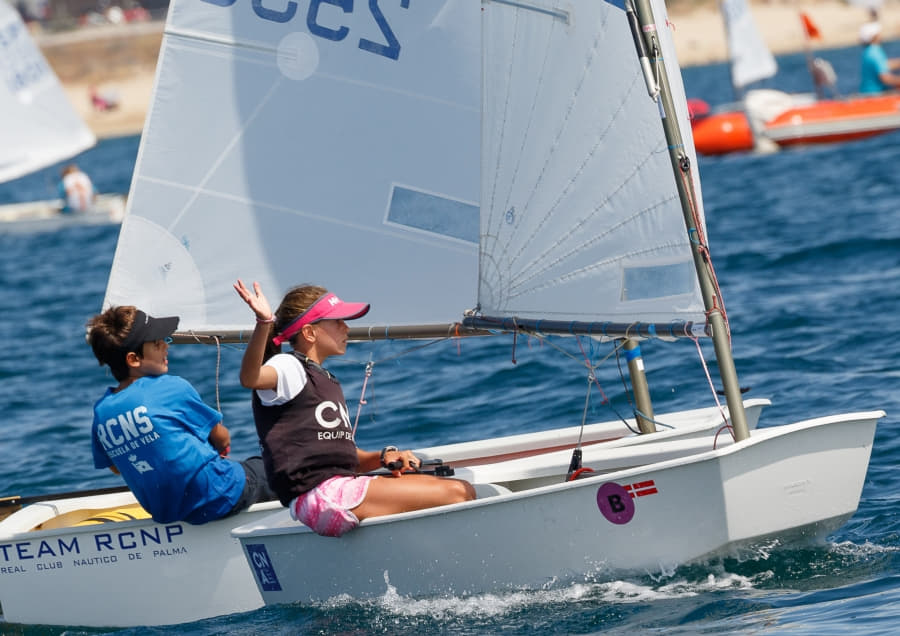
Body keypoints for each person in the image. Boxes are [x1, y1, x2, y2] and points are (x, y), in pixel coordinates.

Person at [233, 279, 476, 538]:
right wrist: (264, 323)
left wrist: (383, 457)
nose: (346, 328)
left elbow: (341, 457)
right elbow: (251, 378)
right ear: (309, 333)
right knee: (459, 493)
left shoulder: (325, 380)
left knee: (461, 489)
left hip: (334, 491)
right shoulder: (289, 367)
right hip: (322, 497)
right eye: (337, 321)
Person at [86, 305, 277, 525]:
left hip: (169, 512)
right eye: (157, 343)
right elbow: (221, 438)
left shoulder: (102, 412)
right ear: (133, 359)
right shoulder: (170, 387)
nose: (166, 347)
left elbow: (115, 467)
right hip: (222, 493)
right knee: (276, 467)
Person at [859, 21, 900, 94]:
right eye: (878, 33)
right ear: (874, 37)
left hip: (866, 92)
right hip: (875, 94)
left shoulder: (868, 51)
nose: (881, 35)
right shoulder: (875, 52)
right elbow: (885, 78)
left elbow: (883, 65)